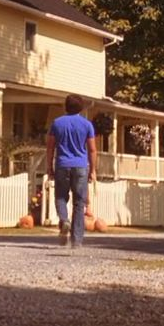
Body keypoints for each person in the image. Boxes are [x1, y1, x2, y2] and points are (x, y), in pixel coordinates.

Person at [45, 94, 97, 248]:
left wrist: (49, 167)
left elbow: (50, 147)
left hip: (62, 164)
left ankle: (64, 220)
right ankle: (77, 240)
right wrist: (93, 170)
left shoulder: (57, 123)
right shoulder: (87, 125)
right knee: (79, 202)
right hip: (80, 166)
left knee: (61, 197)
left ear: (65, 106)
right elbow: (92, 150)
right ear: (81, 107)